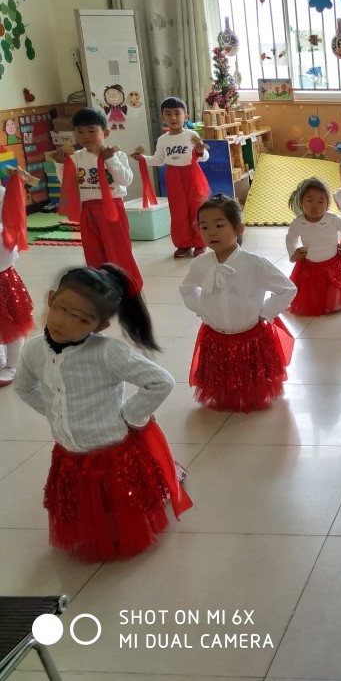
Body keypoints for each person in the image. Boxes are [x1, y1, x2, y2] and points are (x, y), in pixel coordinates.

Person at [13, 265, 191, 562]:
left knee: (120, 502)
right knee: (85, 503)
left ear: (100, 326)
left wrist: (130, 416)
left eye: (81, 318)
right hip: (69, 451)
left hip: (112, 447)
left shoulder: (107, 352)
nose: (64, 322)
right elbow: (23, 387)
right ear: (51, 298)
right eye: (62, 308)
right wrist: (54, 412)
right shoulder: (33, 350)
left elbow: (160, 381)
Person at [181, 195, 297, 412]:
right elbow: (187, 289)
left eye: (219, 225)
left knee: (251, 379)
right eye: (204, 227)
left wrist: (265, 312)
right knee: (221, 378)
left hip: (249, 335)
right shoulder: (200, 264)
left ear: (239, 229)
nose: (211, 232)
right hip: (215, 336)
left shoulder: (254, 264)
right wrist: (201, 308)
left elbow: (287, 289)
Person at [53, 107, 144, 290]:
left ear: (106, 132)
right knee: (93, 250)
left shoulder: (116, 155)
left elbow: (126, 180)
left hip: (112, 209)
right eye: (80, 132)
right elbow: (68, 184)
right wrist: (60, 164)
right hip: (87, 210)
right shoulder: (76, 157)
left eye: (91, 131)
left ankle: (127, 285)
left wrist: (110, 160)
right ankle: (100, 286)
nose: (85, 136)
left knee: (118, 250)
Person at [131, 97, 211, 259]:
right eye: (168, 114)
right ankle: (183, 245)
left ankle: (200, 243)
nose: (173, 118)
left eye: (177, 113)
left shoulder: (191, 135)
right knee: (178, 211)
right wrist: (143, 159)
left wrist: (201, 151)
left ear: (185, 116)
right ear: (163, 117)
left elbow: (204, 157)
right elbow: (159, 160)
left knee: (196, 209)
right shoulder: (162, 139)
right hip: (173, 177)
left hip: (193, 175)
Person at [287, 177, 341, 314]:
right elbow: (291, 239)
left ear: (327, 204)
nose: (315, 206)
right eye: (309, 200)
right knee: (311, 303)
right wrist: (293, 254)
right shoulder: (298, 223)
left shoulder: (333, 219)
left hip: (333, 267)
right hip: (310, 267)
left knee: (335, 306)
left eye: (321, 201)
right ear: (301, 202)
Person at [0, 170, 34, 386]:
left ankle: (13, 364)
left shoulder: (4, 194)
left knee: (12, 322)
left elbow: (11, 230)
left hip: (2, 273)